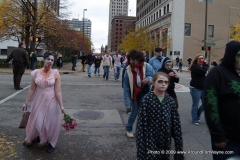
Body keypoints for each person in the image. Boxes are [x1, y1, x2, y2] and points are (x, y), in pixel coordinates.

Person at [21, 51, 65, 153]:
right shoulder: (36, 72)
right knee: (38, 121)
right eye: (48, 59)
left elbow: (58, 91)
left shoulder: (55, 73)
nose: (50, 61)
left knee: (50, 124)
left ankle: (51, 143)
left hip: (51, 101)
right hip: (39, 101)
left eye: (52, 60)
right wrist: (26, 103)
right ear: (44, 59)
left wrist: (61, 105)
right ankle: (40, 137)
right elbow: (32, 89)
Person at [204, 41, 240, 160]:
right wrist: (218, 135)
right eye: (239, 55)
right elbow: (210, 106)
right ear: (231, 55)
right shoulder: (217, 74)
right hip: (227, 138)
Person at [136, 72, 183, 160]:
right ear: (153, 83)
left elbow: (176, 125)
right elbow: (141, 124)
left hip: (165, 140)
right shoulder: (147, 99)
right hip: (150, 139)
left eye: (166, 82)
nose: (163, 84)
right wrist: (142, 145)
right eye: (160, 81)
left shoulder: (170, 101)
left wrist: (178, 147)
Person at [123, 49, 155, 138]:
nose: (132, 61)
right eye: (131, 59)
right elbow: (126, 88)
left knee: (145, 113)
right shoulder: (128, 70)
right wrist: (127, 103)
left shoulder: (146, 66)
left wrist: (148, 80)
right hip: (134, 94)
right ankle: (129, 129)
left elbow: (154, 76)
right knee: (134, 112)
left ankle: (142, 130)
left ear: (139, 59)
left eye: (134, 59)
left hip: (145, 92)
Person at [189, 54, 208, 125]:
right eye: (199, 59)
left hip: (204, 88)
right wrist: (206, 64)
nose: (201, 60)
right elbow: (203, 72)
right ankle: (194, 119)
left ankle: (197, 115)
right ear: (196, 60)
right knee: (195, 105)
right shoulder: (194, 67)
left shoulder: (203, 67)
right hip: (195, 88)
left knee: (206, 103)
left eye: (202, 58)